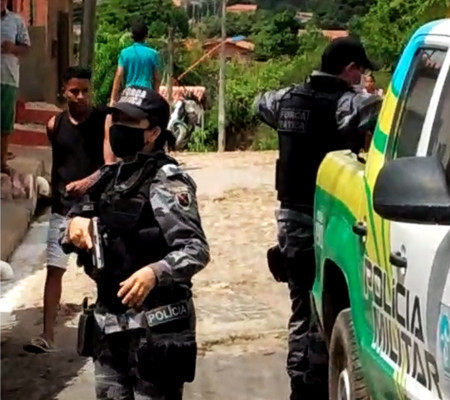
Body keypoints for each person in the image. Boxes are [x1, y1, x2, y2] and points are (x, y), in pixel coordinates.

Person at [61, 86, 210, 400]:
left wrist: (155, 272)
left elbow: (195, 248)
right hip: (109, 327)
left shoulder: (167, 179)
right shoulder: (109, 177)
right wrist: (74, 226)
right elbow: (74, 219)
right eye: (117, 119)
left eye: (130, 122)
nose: (119, 128)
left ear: (153, 132)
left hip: (155, 328)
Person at [255, 37, 382, 399]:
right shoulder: (348, 104)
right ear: (350, 69)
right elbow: (382, 111)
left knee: (302, 304)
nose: (361, 78)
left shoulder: (284, 99)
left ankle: (300, 382)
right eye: (360, 71)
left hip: (291, 218)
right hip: (332, 214)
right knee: (328, 304)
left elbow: (258, 104)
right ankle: (313, 380)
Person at [24, 66, 115, 354]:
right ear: (64, 91)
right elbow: (59, 164)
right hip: (62, 209)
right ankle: (47, 335)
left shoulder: (103, 120)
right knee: (54, 270)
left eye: (85, 91)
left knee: (103, 269)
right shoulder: (55, 125)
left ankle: (112, 327)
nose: (81, 96)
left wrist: (87, 184)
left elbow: (110, 165)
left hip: (95, 209)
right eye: (75, 91)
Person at [1, 0, 30, 174]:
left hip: (8, 78)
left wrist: (12, 48)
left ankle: (2, 161)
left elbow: (26, 48)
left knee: (4, 124)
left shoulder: (16, 21)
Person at [110, 18, 161, 106]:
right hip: (147, 95)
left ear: (132, 36)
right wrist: (155, 97)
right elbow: (157, 78)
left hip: (129, 93)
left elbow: (119, 75)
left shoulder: (124, 53)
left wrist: (113, 99)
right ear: (146, 35)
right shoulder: (153, 54)